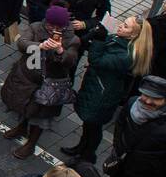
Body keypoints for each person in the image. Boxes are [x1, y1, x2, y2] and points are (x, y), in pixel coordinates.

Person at [65, 16, 153, 163]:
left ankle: (88, 155)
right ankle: (81, 148)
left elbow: (97, 60)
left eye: (125, 26)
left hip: (103, 93)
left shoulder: (127, 55)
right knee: (89, 124)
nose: (120, 26)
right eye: (123, 23)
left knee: (93, 125)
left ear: (133, 35)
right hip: (97, 87)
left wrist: (99, 40)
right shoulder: (120, 41)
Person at [0, 5, 81, 160]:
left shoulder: (72, 39)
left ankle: (31, 143)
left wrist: (60, 51)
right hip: (27, 78)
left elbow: (71, 61)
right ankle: (22, 128)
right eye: (51, 26)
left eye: (58, 27)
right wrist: (40, 46)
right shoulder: (36, 27)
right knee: (23, 105)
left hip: (49, 85)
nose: (54, 30)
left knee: (40, 116)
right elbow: (22, 43)